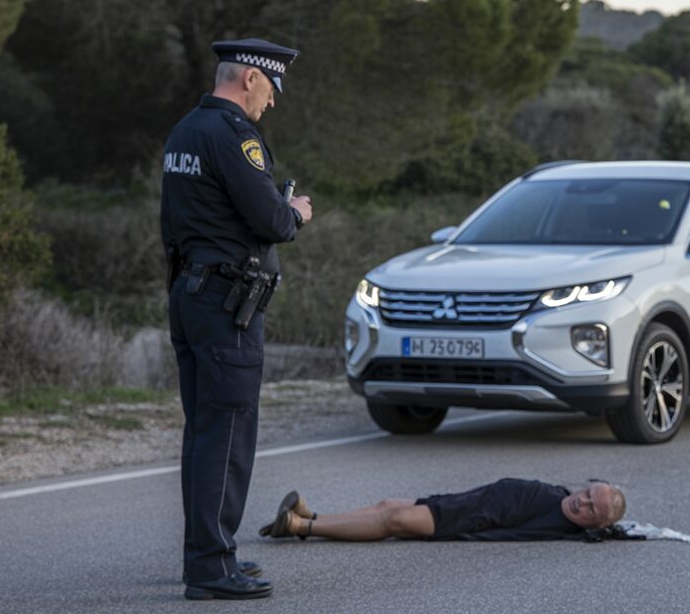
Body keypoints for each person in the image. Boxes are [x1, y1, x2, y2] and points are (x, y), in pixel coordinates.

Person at [161, 37, 313, 601]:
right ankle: (208, 567)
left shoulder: (185, 131)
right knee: (226, 435)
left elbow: (173, 224)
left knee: (204, 433)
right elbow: (271, 219)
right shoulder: (233, 136)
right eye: (271, 89)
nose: (271, 102)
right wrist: (294, 211)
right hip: (227, 304)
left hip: (191, 293)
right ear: (250, 78)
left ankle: (209, 553)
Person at [258, 478, 626, 542]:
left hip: (476, 515)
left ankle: (298, 527)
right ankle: (312, 515)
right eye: (589, 494)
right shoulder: (553, 494)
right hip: (474, 501)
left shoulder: (577, 531)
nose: (584, 502)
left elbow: (619, 531)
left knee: (395, 520)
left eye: (593, 509)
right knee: (388, 505)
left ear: (596, 524)